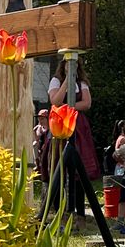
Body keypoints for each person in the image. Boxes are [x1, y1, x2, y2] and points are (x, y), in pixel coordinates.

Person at [48, 56, 100, 230]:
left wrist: (69, 108)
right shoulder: (56, 81)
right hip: (60, 124)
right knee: (58, 169)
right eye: (69, 65)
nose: (73, 68)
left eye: (75, 65)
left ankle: (80, 217)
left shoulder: (82, 83)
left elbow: (86, 103)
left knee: (79, 172)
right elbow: (55, 101)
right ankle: (59, 215)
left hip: (78, 126)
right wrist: (66, 82)